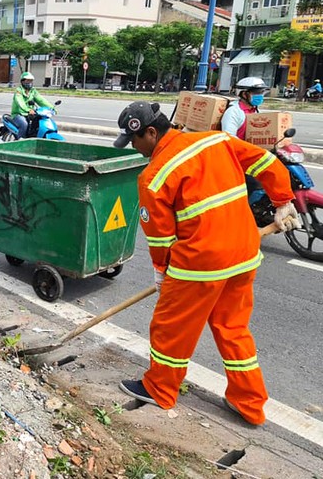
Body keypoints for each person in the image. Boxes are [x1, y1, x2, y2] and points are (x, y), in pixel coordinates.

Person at [113, 101, 301, 426]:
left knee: (171, 329)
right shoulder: (216, 141)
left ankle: (159, 388)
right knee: (233, 328)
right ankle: (250, 403)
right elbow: (267, 162)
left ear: (151, 132)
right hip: (243, 255)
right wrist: (283, 201)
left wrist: (162, 275)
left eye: (134, 140)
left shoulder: (153, 178)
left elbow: (160, 240)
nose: (133, 147)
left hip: (200, 265)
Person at [11, 72, 53, 139]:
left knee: (38, 124)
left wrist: (51, 107)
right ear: (22, 81)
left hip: (30, 114)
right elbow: (20, 102)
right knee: (24, 124)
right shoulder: (18, 91)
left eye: (31, 81)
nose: (29, 82)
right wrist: (28, 110)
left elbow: (41, 100)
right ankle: (20, 142)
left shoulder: (33, 91)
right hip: (18, 114)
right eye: (27, 80)